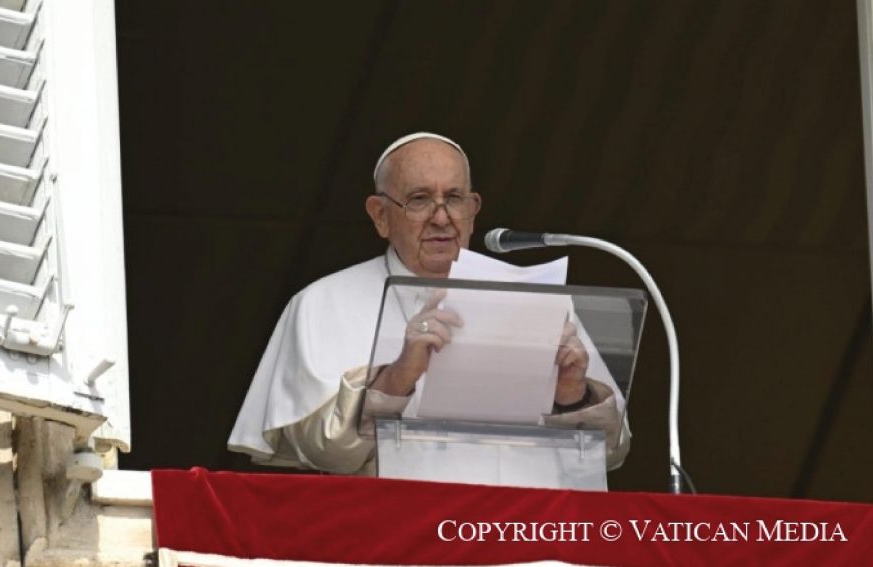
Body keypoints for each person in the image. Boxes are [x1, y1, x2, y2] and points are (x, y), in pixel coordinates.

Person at [228, 132, 629, 475]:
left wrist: (573, 395)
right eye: (419, 199)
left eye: (453, 198)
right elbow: (326, 453)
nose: (441, 217)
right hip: (396, 533)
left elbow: (611, 454)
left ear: (473, 210)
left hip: (522, 530)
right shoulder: (323, 303)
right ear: (380, 215)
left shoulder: (536, 296)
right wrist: (398, 376)